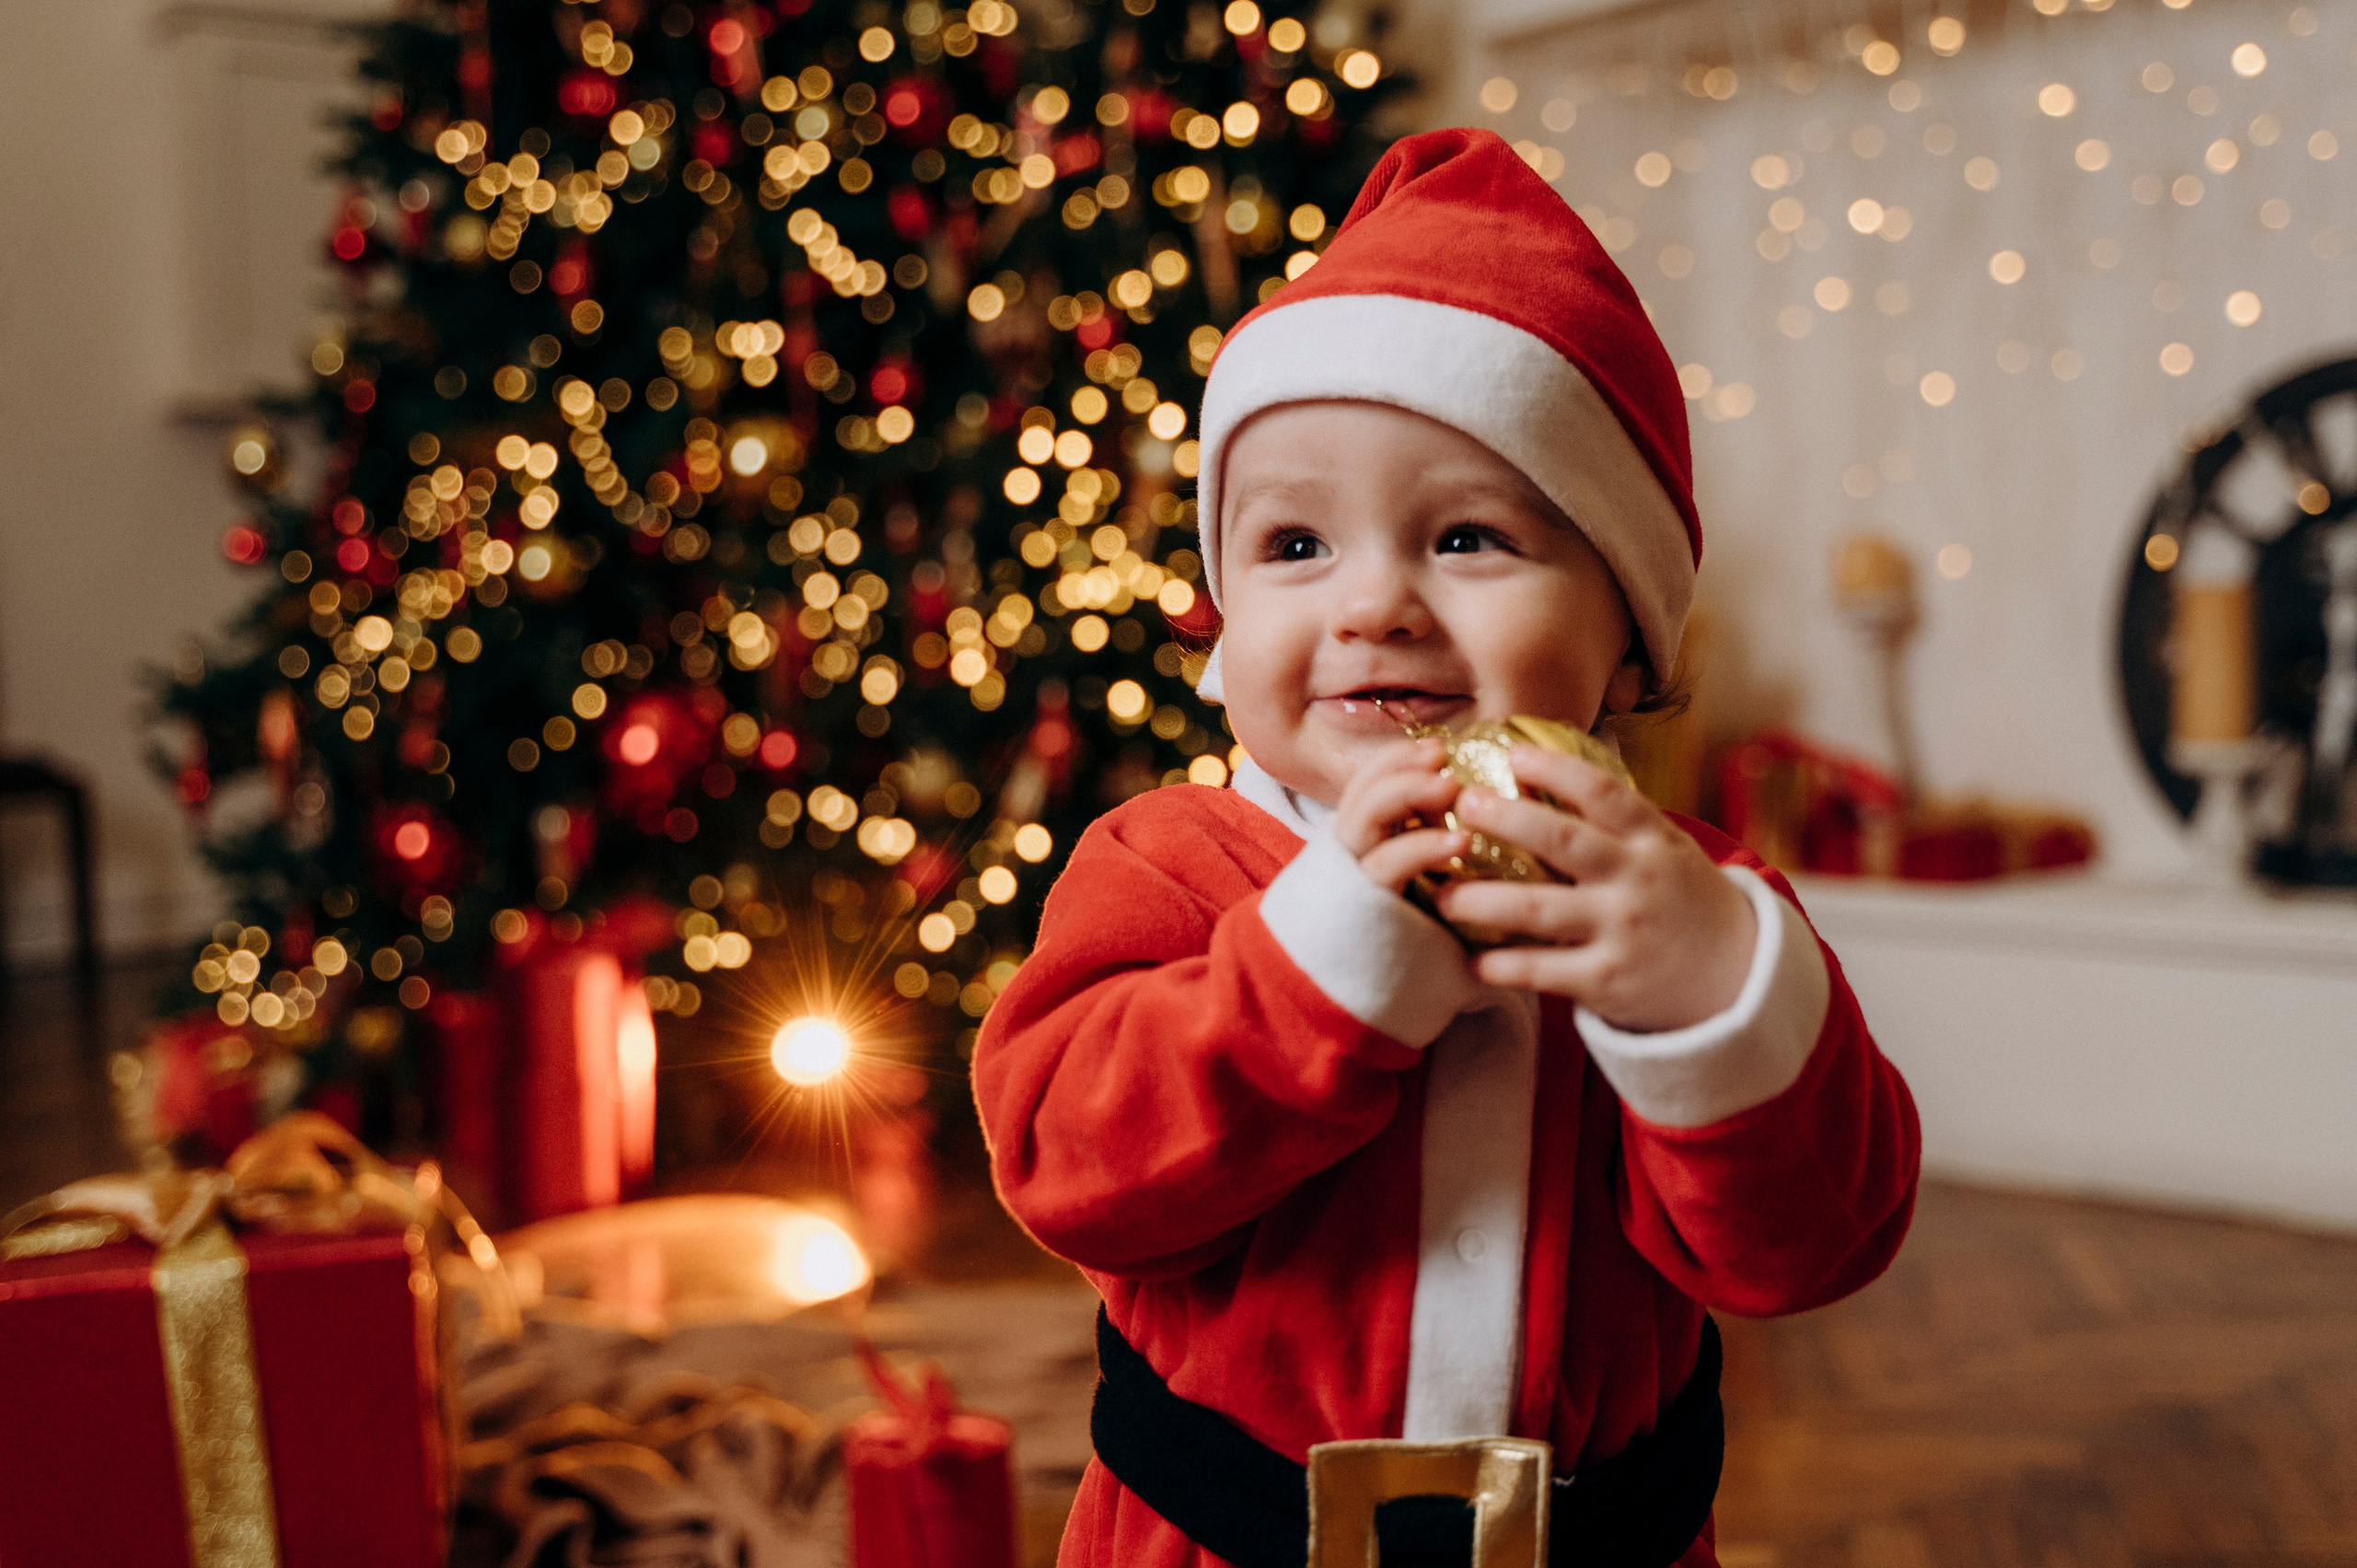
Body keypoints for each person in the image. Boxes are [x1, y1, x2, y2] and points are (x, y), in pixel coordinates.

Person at [972, 127, 1920, 1568]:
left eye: (1469, 538)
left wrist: (1711, 996)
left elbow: (1813, 1246)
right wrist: (1323, 967)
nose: (1374, 607)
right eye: (1295, 548)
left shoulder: (1680, 908)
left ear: (1626, 644)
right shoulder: (1170, 865)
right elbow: (1065, 1169)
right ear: (1225, 638)